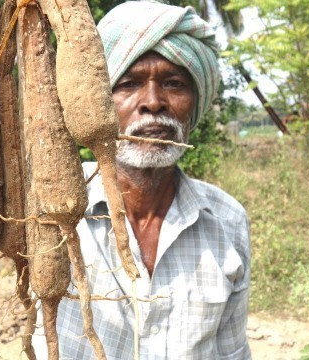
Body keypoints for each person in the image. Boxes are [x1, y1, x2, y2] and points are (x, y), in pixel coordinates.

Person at [33, 1, 252, 359]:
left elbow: (232, 351)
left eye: (174, 83)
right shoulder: (44, 204)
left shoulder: (227, 220)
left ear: (195, 100)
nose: (153, 102)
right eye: (129, 83)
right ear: (98, 100)